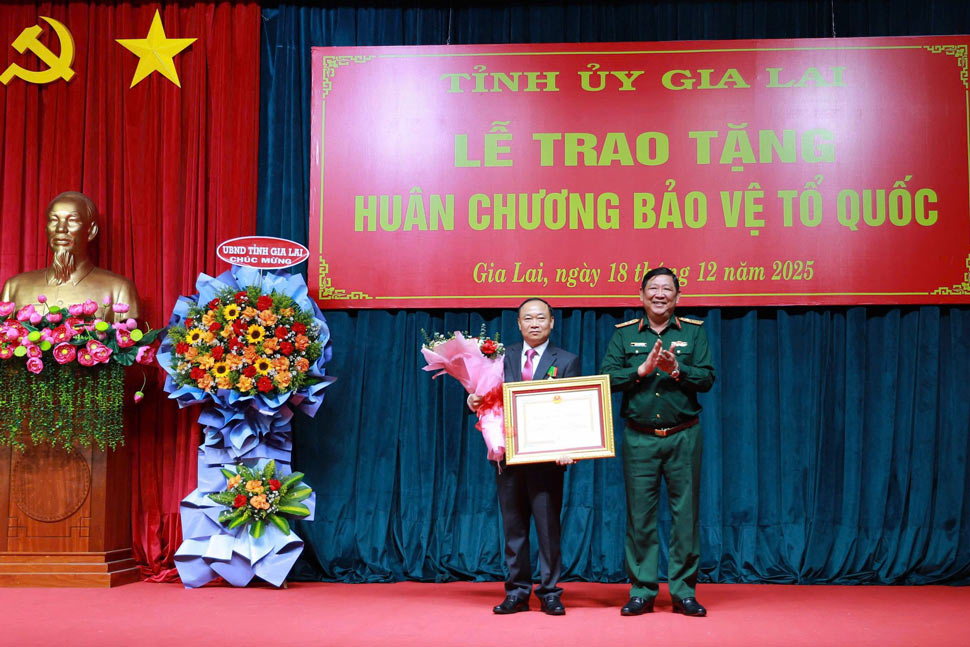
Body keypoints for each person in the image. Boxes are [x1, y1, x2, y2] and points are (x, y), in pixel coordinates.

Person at [600, 267, 715, 618]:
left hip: (684, 435)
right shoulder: (623, 336)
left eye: (667, 289)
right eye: (653, 288)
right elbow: (606, 378)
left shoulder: (694, 333)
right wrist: (641, 371)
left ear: (677, 297)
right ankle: (642, 591)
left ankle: (683, 593)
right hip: (640, 438)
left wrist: (677, 369)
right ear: (641, 295)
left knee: (685, 516)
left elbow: (708, 378)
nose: (660, 294)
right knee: (640, 518)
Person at [467, 298, 580, 616]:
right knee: (514, 528)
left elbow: (573, 409)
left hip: (547, 461)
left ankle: (550, 592)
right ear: (518, 323)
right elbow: (485, 397)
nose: (534, 323)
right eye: (527, 318)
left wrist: (570, 447)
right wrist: (472, 400)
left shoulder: (568, 360)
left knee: (548, 529)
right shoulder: (501, 357)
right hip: (509, 457)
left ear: (552, 322)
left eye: (540, 318)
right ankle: (517, 591)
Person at [1, 191, 139, 320]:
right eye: (54, 220)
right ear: (46, 230)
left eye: (72, 220)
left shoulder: (119, 290)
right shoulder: (14, 287)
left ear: (91, 231)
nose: (61, 229)